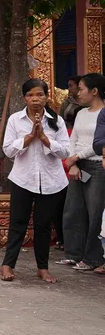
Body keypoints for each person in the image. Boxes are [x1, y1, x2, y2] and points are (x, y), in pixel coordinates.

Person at [1, 79, 69, 283]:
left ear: (47, 97)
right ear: (24, 98)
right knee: (17, 223)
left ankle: (42, 267)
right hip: (23, 179)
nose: (35, 99)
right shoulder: (15, 119)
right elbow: (8, 149)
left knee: (43, 225)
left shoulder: (56, 121)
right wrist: (30, 137)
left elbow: (66, 151)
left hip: (51, 181)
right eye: (30, 95)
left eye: (39, 95)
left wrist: (46, 139)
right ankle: (7, 265)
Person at [63, 73, 105, 273]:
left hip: (97, 165)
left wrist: (76, 157)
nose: (77, 93)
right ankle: (73, 254)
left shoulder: (103, 113)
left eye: (81, 89)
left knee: (95, 212)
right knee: (73, 210)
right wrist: (72, 163)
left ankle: (93, 257)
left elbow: (99, 144)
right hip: (77, 165)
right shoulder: (81, 113)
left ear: (94, 91)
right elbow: (73, 139)